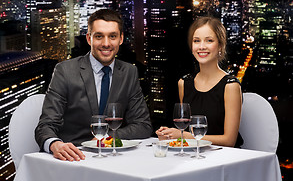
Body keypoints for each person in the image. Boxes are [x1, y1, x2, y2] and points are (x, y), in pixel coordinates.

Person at [35, 9, 153, 161]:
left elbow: (143, 125)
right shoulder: (65, 71)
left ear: (121, 39)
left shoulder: (129, 72)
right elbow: (45, 125)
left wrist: (107, 138)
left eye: (112, 36)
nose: (106, 43)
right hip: (74, 158)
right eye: (99, 36)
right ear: (89, 39)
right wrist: (55, 144)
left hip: (115, 158)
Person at [156, 16, 243, 147]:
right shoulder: (184, 83)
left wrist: (184, 136)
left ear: (220, 45)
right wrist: (168, 134)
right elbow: (184, 128)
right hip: (192, 156)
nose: (202, 46)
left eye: (209, 41)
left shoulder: (230, 86)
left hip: (223, 158)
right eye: (196, 41)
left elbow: (229, 140)